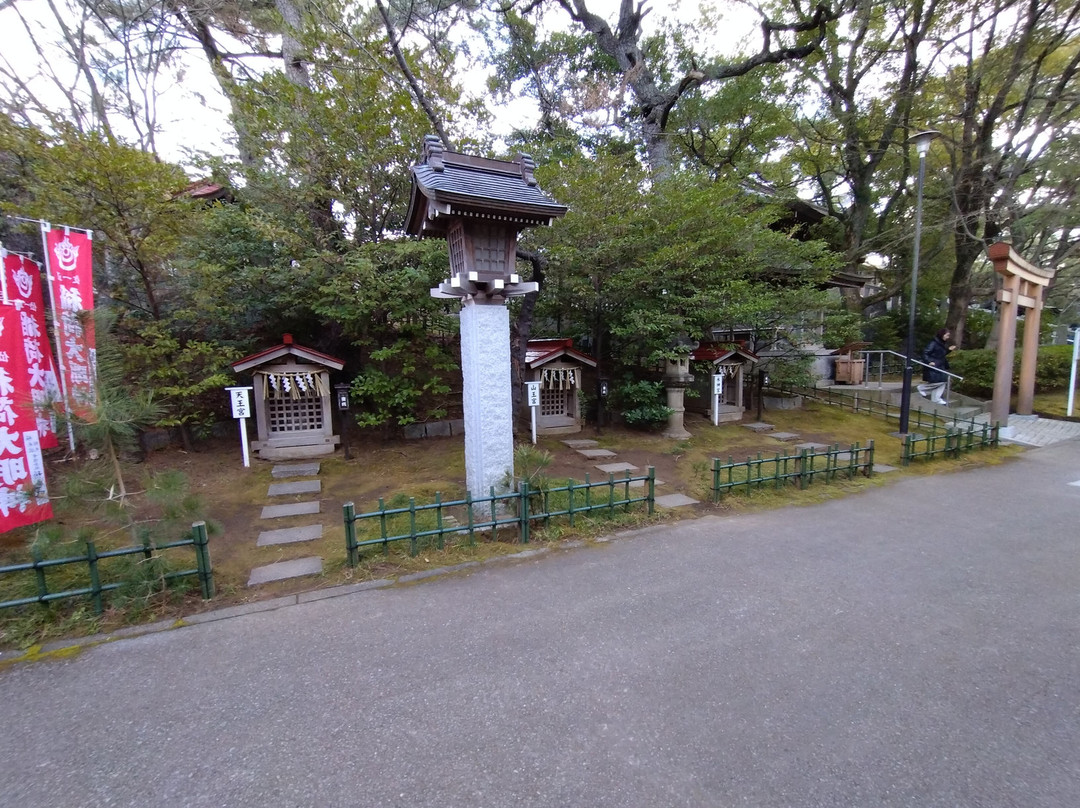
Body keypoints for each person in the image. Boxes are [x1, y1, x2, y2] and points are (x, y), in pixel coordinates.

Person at [917, 327, 956, 405]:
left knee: (943, 381)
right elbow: (925, 352)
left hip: (939, 365)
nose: (948, 337)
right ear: (942, 334)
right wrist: (929, 362)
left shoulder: (941, 343)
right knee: (941, 381)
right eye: (947, 335)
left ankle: (936, 399)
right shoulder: (934, 343)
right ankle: (922, 388)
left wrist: (948, 350)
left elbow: (940, 354)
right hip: (933, 366)